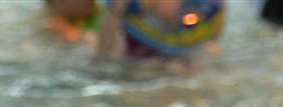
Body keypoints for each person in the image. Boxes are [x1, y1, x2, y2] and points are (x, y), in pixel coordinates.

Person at [96, 0, 224, 60]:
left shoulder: (207, 6)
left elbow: (220, 10)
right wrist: (114, 12)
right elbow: (104, 55)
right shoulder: (127, 7)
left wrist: (214, 43)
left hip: (184, 50)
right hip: (139, 59)